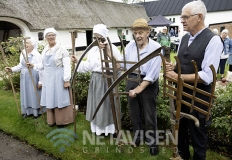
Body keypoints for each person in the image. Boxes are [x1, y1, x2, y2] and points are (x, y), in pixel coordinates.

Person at [165, 1, 223, 160]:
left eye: (185, 17)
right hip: (180, 95)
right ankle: (182, 156)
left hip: (199, 98)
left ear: (199, 17)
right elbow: (183, 63)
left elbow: (207, 76)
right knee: (181, 130)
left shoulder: (213, 40)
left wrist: (178, 77)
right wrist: (173, 67)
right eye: (181, 17)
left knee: (198, 136)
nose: (181, 20)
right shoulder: (184, 38)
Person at [71, 24, 122, 136]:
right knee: (97, 104)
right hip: (96, 80)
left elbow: (119, 66)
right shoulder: (93, 50)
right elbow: (89, 66)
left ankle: (110, 129)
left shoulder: (112, 48)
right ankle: (98, 129)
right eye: (95, 38)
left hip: (108, 80)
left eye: (100, 37)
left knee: (108, 105)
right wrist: (77, 61)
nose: (97, 40)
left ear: (104, 36)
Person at [120, 18, 161, 156]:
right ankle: (137, 138)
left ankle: (152, 143)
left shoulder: (155, 48)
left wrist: (139, 89)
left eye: (141, 32)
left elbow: (152, 74)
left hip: (148, 84)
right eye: (135, 33)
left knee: (150, 115)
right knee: (134, 113)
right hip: (132, 79)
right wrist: (109, 52)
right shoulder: (130, 46)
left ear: (148, 32)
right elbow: (123, 65)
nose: (138, 36)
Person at [39, 28, 74, 127]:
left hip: (58, 76)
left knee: (60, 97)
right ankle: (52, 120)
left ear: (55, 36)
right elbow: (42, 65)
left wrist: (66, 79)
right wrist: (33, 66)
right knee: (50, 97)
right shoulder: (45, 50)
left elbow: (67, 65)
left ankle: (62, 121)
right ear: (45, 37)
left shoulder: (62, 49)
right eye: (48, 35)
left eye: (53, 35)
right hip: (48, 77)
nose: (51, 37)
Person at [5, 37, 45, 119]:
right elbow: (21, 65)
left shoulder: (37, 54)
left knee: (34, 94)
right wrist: (12, 69)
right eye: (24, 43)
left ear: (33, 45)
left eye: (27, 43)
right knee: (26, 94)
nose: (25, 44)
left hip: (33, 76)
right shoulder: (23, 53)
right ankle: (27, 111)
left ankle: (36, 112)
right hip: (24, 77)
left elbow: (41, 68)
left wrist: (41, 81)